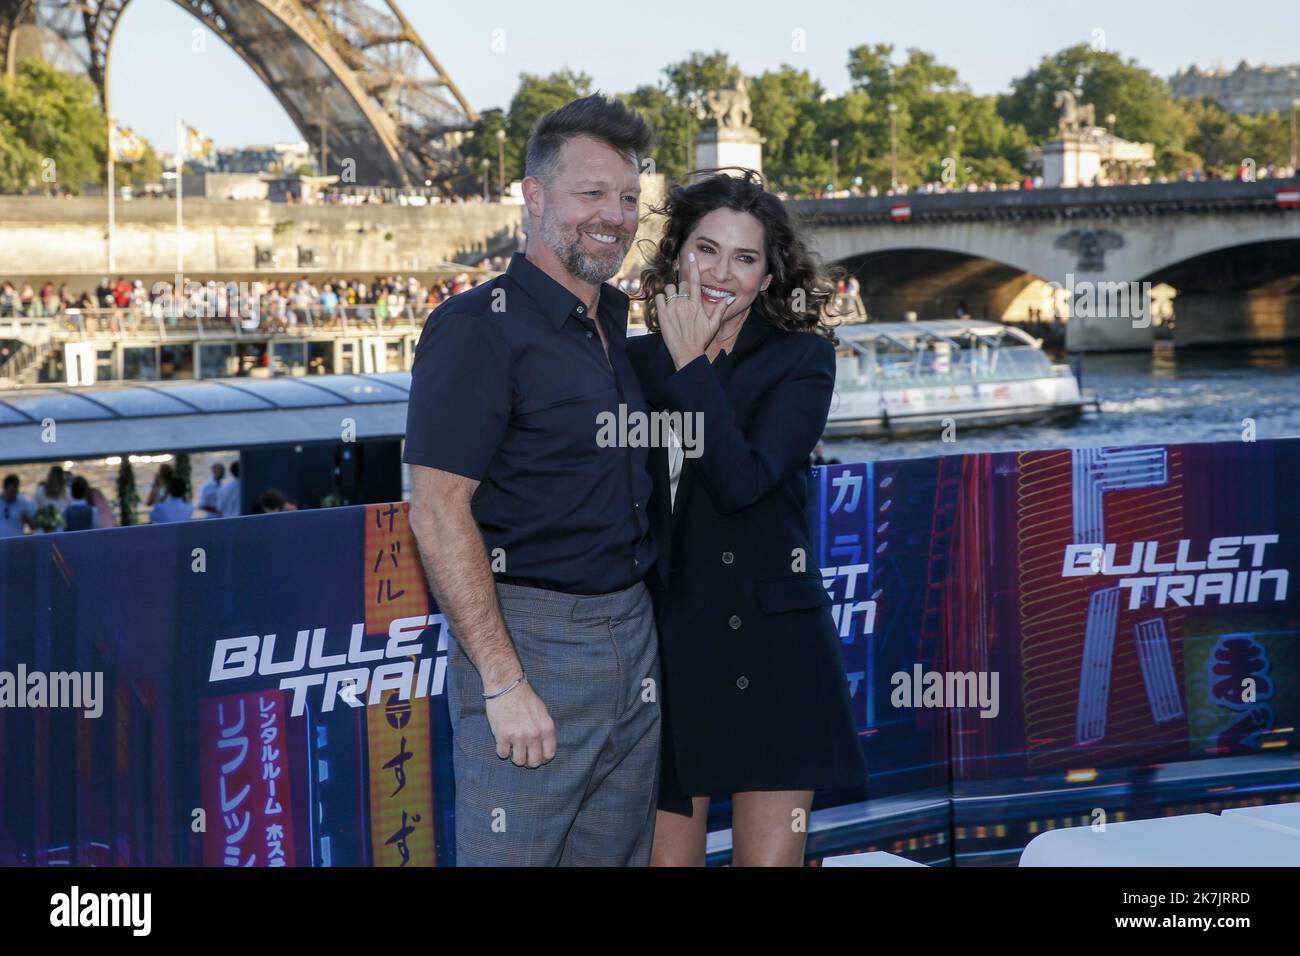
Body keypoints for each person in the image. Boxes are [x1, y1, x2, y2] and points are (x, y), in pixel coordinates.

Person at [404, 94, 659, 866]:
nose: (613, 216)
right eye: (591, 194)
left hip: (633, 639)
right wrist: (504, 679)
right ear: (535, 195)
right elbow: (438, 509)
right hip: (529, 644)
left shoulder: (614, 323)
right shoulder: (476, 327)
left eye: (626, 198)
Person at [627, 170, 867, 867]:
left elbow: (742, 482)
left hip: (774, 652)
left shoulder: (802, 361)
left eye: (744, 258)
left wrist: (689, 362)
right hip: (668, 649)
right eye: (706, 249)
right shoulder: (631, 363)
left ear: (768, 278)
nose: (720, 273)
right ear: (677, 255)